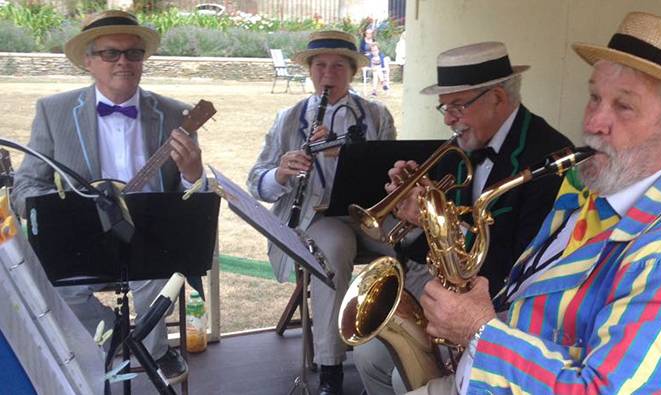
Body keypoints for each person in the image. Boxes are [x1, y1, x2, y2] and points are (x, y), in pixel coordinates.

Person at [410, 12, 661, 394]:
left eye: (624, 107)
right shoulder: (599, 185)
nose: (593, 122)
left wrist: (477, 329)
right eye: (594, 97)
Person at [354, 41, 573, 395]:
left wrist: (435, 220)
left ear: (498, 98)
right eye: (444, 106)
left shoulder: (546, 160)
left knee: (402, 379)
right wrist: (410, 213)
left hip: (503, 311)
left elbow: (516, 264)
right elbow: (424, 249)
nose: (447, 118)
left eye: (457, 105)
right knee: (366, 356)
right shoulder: (459, 148)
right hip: (448, 295)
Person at [11, 10, 204, 382]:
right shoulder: (54, 111)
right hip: (83, 238)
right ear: (88, 61)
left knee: (161, 279)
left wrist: (193, 174)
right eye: (110, 54)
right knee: (49, 282)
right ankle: (123, 342)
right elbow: (27, 187)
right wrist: (57, 215)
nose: (123, 62)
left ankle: (154, 350)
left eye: (133, 53)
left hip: (152, 239)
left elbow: (193, 202)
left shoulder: (176, 113)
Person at [246, 30, 397, 395]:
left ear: (351, 72)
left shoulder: (376, 115)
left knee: (413, 244)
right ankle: (331, 367)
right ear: (311, 72)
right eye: (321, 66)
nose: (329, 74)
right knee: (333, 249)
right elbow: (256, 182)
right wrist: (281, 173)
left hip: (370, 211)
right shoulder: (289, 118)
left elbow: (391, 167)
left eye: (338, 67)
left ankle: (398, 351)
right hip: (318, 218)